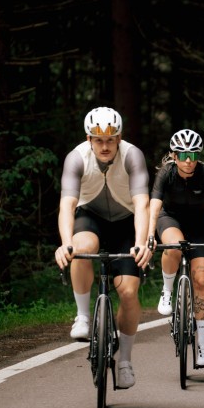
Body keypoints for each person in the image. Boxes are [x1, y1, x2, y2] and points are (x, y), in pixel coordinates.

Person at [54, 106, 151, 389]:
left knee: (128, 292)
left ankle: (125, 361)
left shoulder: (132, 155)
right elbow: (67, 205)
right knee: (80, 247)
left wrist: (141, 243)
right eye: (98, 140)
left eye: (110, 140)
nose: (105, 146)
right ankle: (83, 317)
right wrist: (66, 243)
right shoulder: (76, 158)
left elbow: (142, 204)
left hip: (126, 222)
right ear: (89, 139)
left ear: (119, 138)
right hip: (91, 217)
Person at [147, 129, 204, 367]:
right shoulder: (166, 173)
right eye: (183, 155)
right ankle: (167, 291)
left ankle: (202, 345)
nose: (189, 160)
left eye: (193, 155)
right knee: (173, 246)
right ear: (174, 156)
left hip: (200, 226)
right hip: (171, 219)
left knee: (201, 280)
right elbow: (154, 205)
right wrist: (149, 235)